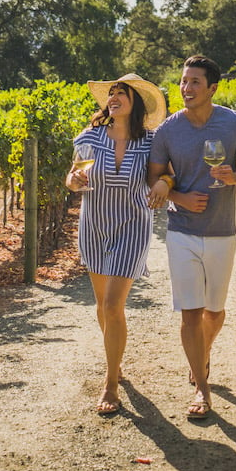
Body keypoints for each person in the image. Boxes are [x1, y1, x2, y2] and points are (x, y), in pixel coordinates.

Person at [148, 55, 236, 419]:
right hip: (181, 231)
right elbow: (155, 179)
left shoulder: (234, 123)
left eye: (195, 82)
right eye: (183, 81)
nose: (186, 88)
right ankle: (202, 388)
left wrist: (233, 178)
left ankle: (201, 356)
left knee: (215, 311)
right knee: (190, 314)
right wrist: (178, 198)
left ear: (212, 88)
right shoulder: (168, 130)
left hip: (223, 231)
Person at [66, 73, 170, 415]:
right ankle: (116, 362)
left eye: (121, 92)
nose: (114, 97)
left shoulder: (151, 142)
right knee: (101, 304)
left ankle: (111, 383)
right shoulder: (90, 138)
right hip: (94, 225)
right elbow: (73, 177)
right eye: (111, 92)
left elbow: (166, 173)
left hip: (133, 225)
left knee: (113, 305)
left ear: (135, 102)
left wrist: (165, 184)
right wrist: (74, 180)